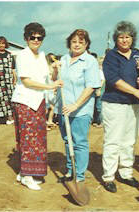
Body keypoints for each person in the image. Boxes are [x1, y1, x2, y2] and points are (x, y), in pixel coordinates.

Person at [11, 22, 63, 190]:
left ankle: (27, 172)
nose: (35, 40)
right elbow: (26, 81)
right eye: (32, 37)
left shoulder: (42, 55)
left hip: (39, 101)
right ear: (26, 38)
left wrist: (55, 72)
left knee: (38, 138)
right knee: (28, 138)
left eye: (39, 38)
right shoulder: (22, 55)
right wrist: (49, 87)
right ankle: (26, 175)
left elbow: (46, 77)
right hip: (25, 101)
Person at [101, 21, 139, 193]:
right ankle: (109, 176)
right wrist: (135, 91)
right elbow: (114, 81)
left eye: (128, 37)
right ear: (116, 39)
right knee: (113, 141)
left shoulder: (137, 55)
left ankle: (126, 173)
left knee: (129, 141)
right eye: (121, 37)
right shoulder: (111, 56)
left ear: (132, 38)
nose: (124, 40)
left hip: (134, 105)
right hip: (114, 103)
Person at [53, 29, 101, 183]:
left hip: (80, 110)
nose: (77, 44)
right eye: (74, 41)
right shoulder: (64, 59)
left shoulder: (90, 61)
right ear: (69, 43)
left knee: (79, 142)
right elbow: (56, 80)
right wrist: (55, 70)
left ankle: (79, 176)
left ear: (86, 44)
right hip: (63, 107)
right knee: (67, 140)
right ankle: (70, 171)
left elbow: (91, 86)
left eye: (81, 42)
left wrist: (76, 105)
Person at [45, 53, 58, 131]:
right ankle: (46, 122)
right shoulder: (46, 67)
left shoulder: (55, 67)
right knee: (47, 107)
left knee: (52, 107)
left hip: (52, 89)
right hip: (46, 89)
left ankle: (49, 121)